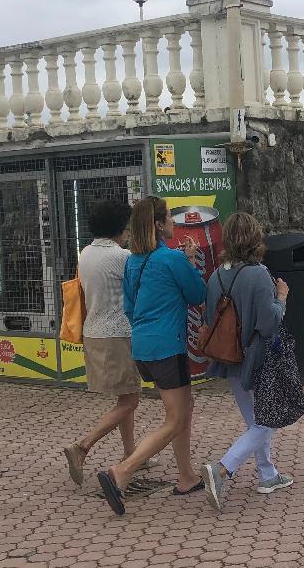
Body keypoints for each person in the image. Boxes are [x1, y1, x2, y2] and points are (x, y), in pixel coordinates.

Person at [96, 196, 207, 515]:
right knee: (174, 420)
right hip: (167, 347)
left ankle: (186, 476)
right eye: (170, 217)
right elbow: (198, 293)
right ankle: (123, 472)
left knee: (185, 406)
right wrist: (190, 261)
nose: (175, 222)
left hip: (143, 346)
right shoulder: (170, 259)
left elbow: (129, 307)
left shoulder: (134, 260)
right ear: (159, 225)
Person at [199, 213, 294, 511]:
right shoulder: (259, 274)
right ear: (255, 238)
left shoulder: (216, 275)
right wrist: (282, 297)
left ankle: (268, 474)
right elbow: (269, 322)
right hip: (259, 358)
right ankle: (223, 468)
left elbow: (209, 315)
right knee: (269, 419)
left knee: (255, 420)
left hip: (230, 359)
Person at [63, 200, 147, 487]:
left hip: (94, 332)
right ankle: (82, 447)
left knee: (125, 396)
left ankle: (131, 452)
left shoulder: (85, 252)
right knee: (131, 399)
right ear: (120, 226)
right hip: (118, 334)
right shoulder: (121, 257)